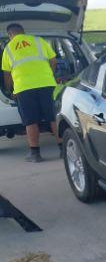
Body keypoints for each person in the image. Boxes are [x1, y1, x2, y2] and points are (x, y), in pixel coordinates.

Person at [2, 23, 61, 162]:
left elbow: (7, 74)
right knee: (53, 117)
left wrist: (10, 90)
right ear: (23, 32)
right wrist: (49, 76)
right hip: (47, 85)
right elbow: (53, 60)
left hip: (24, 88)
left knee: (30, 121)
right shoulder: (38, 41)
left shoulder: (8, 48)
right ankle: (63, 148)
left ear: (10, 35)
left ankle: (35, 154)